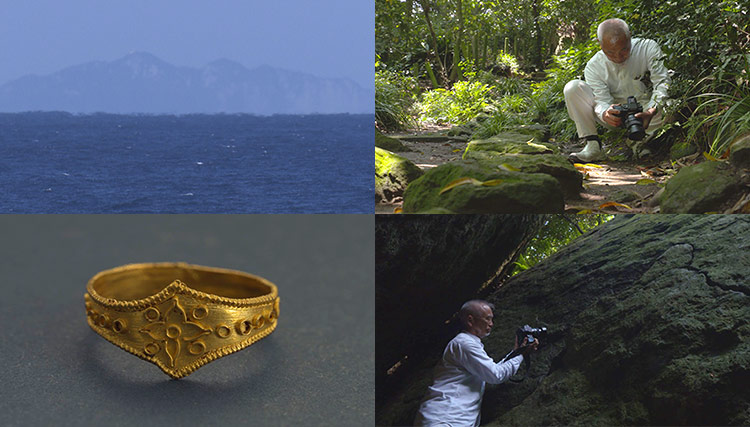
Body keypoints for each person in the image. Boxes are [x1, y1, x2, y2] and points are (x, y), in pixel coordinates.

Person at [414, 300, 538, 427]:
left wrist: (517, 352)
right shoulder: (465, 344)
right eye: (487, 319)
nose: (491, 324)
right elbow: (496, 375)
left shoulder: (467, 343)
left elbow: (492, 369)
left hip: (449, 418)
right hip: (445, 417)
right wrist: (522, 354)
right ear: (470, 320)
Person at [564, 18, 671, 161]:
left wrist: (651, 110)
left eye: (624, 49)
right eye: (610, 52)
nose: (618, 57)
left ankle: (639, 141)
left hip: (648, 114)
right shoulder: (594, 66)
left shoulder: (647, 48)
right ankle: (593, 146)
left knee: (671, 108)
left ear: (630, 37)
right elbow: (600, 100)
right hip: (615, 117)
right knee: (573, 88)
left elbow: (663, 82)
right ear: (599, 44)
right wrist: (605, 113)